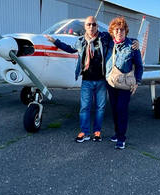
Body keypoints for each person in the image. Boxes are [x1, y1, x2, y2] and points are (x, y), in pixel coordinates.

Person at [46, 16, 138, 143]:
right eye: (89, 24)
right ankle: (84, 132)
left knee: (100, 108)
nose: (91, 27)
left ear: (97, 26)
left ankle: (97, 131)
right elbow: (69, 49)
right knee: (84, 107)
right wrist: (55, 41)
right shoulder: (80, 41)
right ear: (85, 26)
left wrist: (136, 41)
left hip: (101, 80)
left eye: (94, 24)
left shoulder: (105, 37)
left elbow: (121, 37)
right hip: (86, 80)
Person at [105, 16, 143, 150]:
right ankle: (117, 132)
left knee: (122, 109)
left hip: (126, 83)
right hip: (111, 82)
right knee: (114, 109)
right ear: (112, 31)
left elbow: (139, 65)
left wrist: (137, 82)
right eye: (116, 29)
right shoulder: (108, 43)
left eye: (122, 29)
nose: (119, 32)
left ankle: (121, 137)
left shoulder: (133, 45)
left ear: (126, 31)